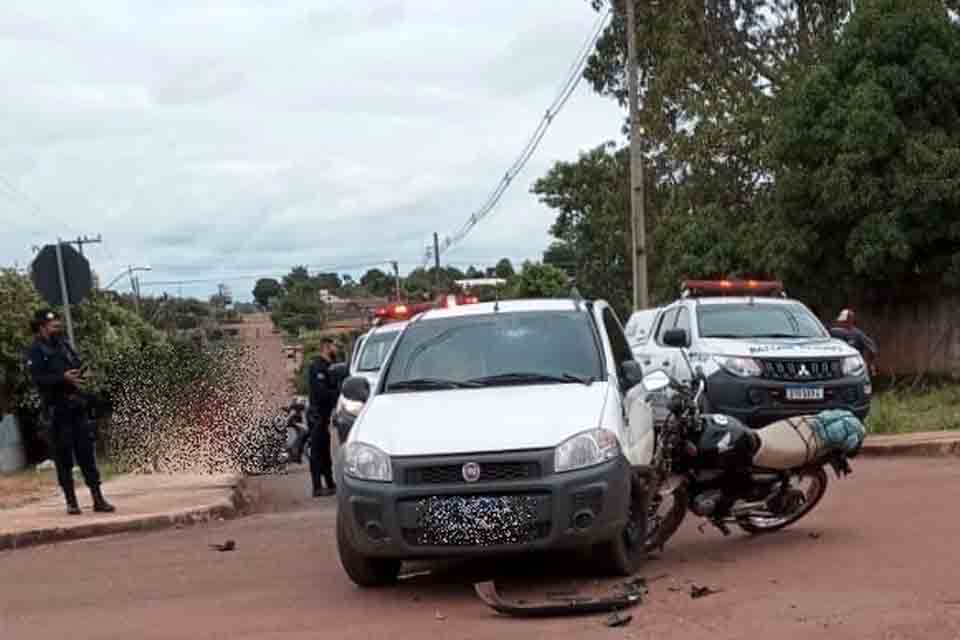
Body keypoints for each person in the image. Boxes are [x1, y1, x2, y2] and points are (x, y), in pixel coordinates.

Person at [26, 309, 115, 515]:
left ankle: (97, 498)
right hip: (57, 411)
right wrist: (62, 378)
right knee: (64, 458)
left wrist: (82, 373)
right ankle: (71, 502)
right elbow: (37, 379)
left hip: (76, 408)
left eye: (58, 324)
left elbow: (76, 364)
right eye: (53, 325)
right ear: (42, 327)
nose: (58, 328)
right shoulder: (35, 351)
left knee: (87, 455)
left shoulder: (64, 345)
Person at [307, 337, 339, 497]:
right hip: (317, 414)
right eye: (334, 346)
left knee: (325, 451)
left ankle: (330, 483)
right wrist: (338, 393)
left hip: (324, 416)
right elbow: (321, 393)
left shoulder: (329, 366)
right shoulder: (318, 366)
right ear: (326, 347)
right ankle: (317, 487)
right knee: (317, 452)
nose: (337, 349)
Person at [830, 308, 879, 375]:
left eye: (845, 321)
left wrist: (869, 364)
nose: (842, 323)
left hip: (854, 370)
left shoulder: (857, 334)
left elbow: (872, 348)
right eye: (842, 321)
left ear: (851, 320)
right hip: (838, 369)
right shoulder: (834, 333)